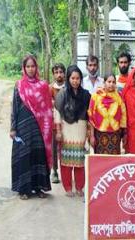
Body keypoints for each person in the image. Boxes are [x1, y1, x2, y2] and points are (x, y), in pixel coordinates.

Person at [10, 55, 52, 200]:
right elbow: (14, 107)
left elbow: (47, 108)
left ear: (36, 67)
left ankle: (39, 187)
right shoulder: (19, 85)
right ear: (24, 68)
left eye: (33, 66)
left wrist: (48, 128)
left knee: (38, 155)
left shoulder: (43, 85)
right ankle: (24, 190)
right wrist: (13, 128)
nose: (30, 69)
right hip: (23, 126)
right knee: (24, 156)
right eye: (28, 66)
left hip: (39, 128)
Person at [55, 65, 91, 197]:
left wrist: (89, 133)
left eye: (78, 78)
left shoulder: (86, 95)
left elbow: (90, 115)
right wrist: (58, 131)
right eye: (73, 78)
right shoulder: (62, 94)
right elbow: (57, 113)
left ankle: (80, 187)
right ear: (68, 79)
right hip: (66, 130)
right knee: (66, 162)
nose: (75, 81)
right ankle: (68, 187)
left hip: (80, 131)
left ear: (81, 79)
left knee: (80, 162)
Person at [88, 73, 127, 154]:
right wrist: (91, 136)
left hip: (115, 135)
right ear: (104, 82)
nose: (111, 84)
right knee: (101, 162)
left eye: (113, 82)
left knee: (114, 162)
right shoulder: (96, 96)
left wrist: (124, 134)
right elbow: (91, 117)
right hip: (99, 134)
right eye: (109, 81)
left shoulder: (119, 97)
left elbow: (123, 116)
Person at [50, 63, 66, 184]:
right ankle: (54, 171)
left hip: (67, 122)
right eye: (56, 72)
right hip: (54, 123)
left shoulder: (69, 87)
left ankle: (66, 171)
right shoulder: (50, 88)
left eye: (61, 72)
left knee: (66, 147)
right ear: (53, 74)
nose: (59, 74)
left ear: (64, 73)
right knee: (54, 147)